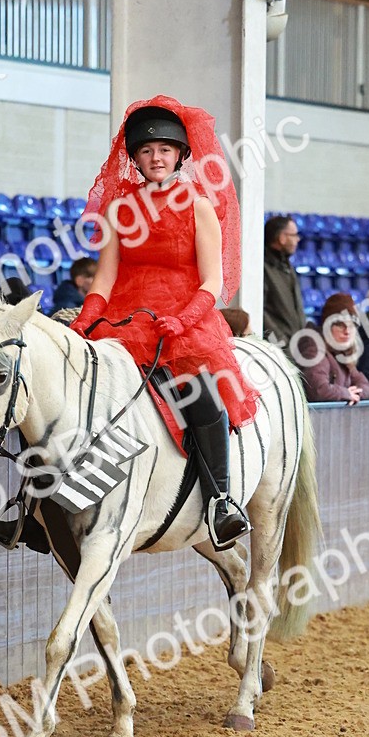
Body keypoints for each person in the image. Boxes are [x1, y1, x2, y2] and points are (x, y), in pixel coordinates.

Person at [69, 95, 258, 550]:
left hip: (185, 321)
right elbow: (104, 278)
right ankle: (55, 505)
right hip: (124, 318)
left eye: (166, 151)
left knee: (204, 399)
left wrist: (185, 318)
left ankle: (220, 503)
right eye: (147, 151)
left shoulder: (199, 206)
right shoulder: (120, 211)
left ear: (180, 156)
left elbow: (213, 281)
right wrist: (83, 322)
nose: (157, 158)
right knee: (80, 394)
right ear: (135, 158)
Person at [296, 293, 369, 406]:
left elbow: (368, 387)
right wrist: (345, 393)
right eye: (341, 325)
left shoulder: (342, 353)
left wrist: (356, 394)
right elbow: (318, 390)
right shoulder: (315, 349)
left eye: (351, 325)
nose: (347, 331)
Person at [262, 215, 306, 348]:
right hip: (277, 349)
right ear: (282, 237)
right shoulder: (262, 267)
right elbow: (261, 312)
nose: (297, 239)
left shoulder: (288, 267)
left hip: (295, 346)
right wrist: (281, 342)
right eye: (294, 235)